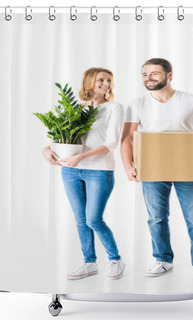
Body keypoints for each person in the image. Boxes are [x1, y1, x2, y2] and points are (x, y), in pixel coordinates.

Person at [121, 58, 193, 283]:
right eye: (145, 74)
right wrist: (128, 166)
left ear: (169, 75)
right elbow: (127, 138)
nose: (149, 78)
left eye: (154, 74)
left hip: (189, 167)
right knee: (156, 217)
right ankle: (163, 259)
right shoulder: (137, 104)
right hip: (152, 168)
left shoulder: (192, 101)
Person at [42, 67, 125, 280]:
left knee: (94, 219)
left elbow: (111, 143)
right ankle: (90, 263)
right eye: (101, 80)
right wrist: (46, 149)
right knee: (81, 220)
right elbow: (64, 137)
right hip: (70, 170)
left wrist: (81, 157)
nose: (107, 84)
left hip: (99, 170)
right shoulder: (77, 108)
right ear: (89, 82)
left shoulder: (114, 108)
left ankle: (115, 259)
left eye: (109, 80)